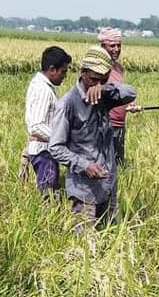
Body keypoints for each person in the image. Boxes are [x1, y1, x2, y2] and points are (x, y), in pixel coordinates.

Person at [49, 45, 136, 231]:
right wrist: (84, 165)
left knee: (112, 235)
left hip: (108, 184)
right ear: (83, 73)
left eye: (103, 80)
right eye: (94, 79)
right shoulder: (67, 104)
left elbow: (131, 92)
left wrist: (104, 88)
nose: (97, 84)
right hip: (84, 190)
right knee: (86, 246)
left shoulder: (105, 96)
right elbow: (55, 147)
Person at [25, 45, 72, 197]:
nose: (65, 76)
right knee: (48, 196)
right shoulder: (44, 90)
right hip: (44, 152)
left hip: (43, 149)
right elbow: (36, 126)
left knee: (50, 192)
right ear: (52, 69)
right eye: (63, 71)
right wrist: (59, 139)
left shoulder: (39, 84)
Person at [97, 28, 141, 166]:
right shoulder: (96, 68)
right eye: (112, 45)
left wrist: (129, 105)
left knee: (118, 165)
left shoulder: (118, 68)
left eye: (119, 45)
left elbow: (118, 93)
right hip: (103, 125)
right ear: (103, 46)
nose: (116, 49)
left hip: (119, 125)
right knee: (103, 166)